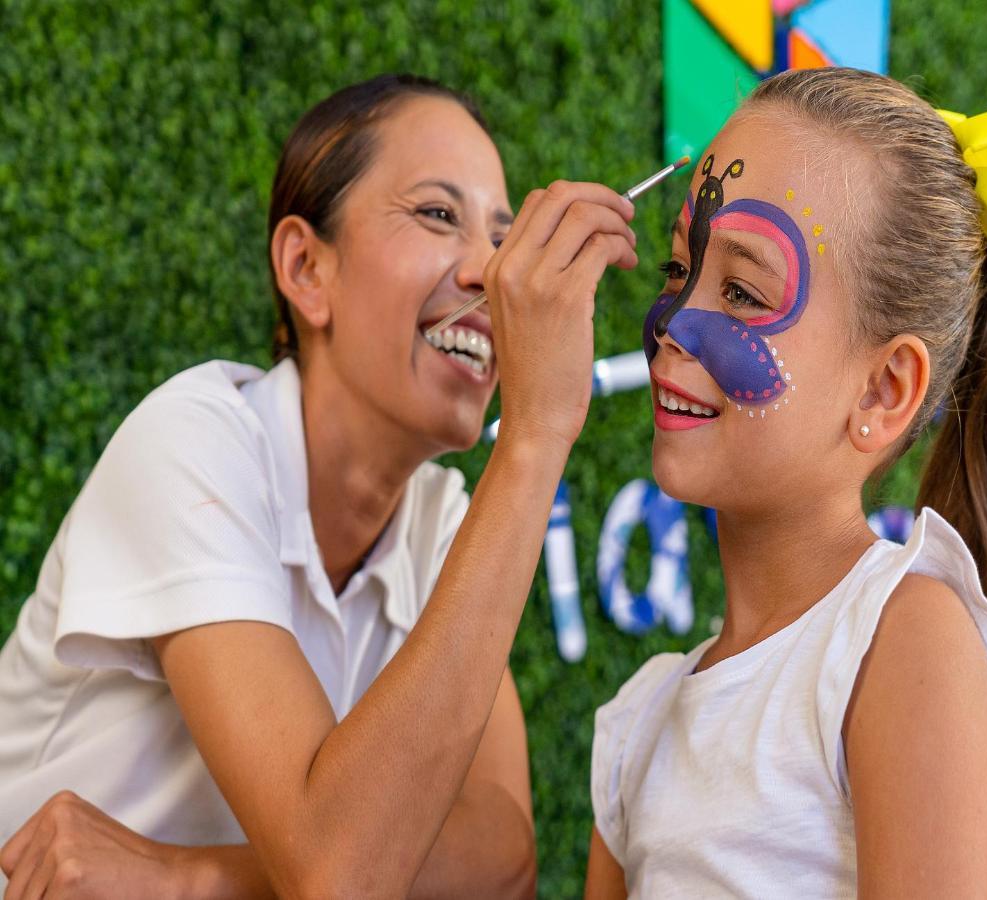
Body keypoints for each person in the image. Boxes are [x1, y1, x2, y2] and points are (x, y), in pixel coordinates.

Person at [0, 73, 640, 897]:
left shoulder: (440, 524)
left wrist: (182, 879)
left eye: (501, 236)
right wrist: (536, 433)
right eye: (439, 215)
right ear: (306, 268)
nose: (490, 272)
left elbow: (502, 860)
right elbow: (340, 870)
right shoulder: (196, 441)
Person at [584, 67, 987, 898]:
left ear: (881, 392)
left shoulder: (902, 645)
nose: (676, 323)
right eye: (675, 269)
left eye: (742, 292)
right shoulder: (640, 722)